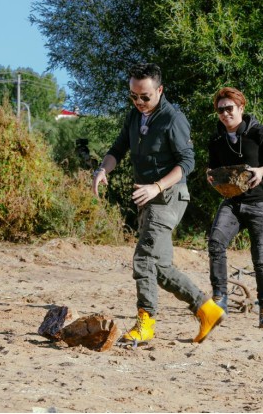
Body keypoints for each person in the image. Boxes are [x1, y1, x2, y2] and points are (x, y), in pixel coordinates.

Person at [92, 62, 225, 344]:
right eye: (133, 96)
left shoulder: (173, 119)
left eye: (145, 97)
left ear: (160, 90)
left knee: (143, 258)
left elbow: (187, 162)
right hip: (150, 199)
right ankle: (206, 308)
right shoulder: (134, 115)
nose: (138, 102)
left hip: (168, 196)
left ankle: (146, 323)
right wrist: (103, 169)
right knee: (160, 269)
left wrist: (156, 187)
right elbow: (118, 149)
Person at [206, 87, 263, 328]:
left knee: (260, 260)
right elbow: (211, 168)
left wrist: (261, 171)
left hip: (260, 204)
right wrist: (210, 176)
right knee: (215, 242)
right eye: (220, 110)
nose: (224, 114)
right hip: (232, 202)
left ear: (241, 108)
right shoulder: (216, 139)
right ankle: (220, 298)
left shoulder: (260, 133)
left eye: (229, 108)